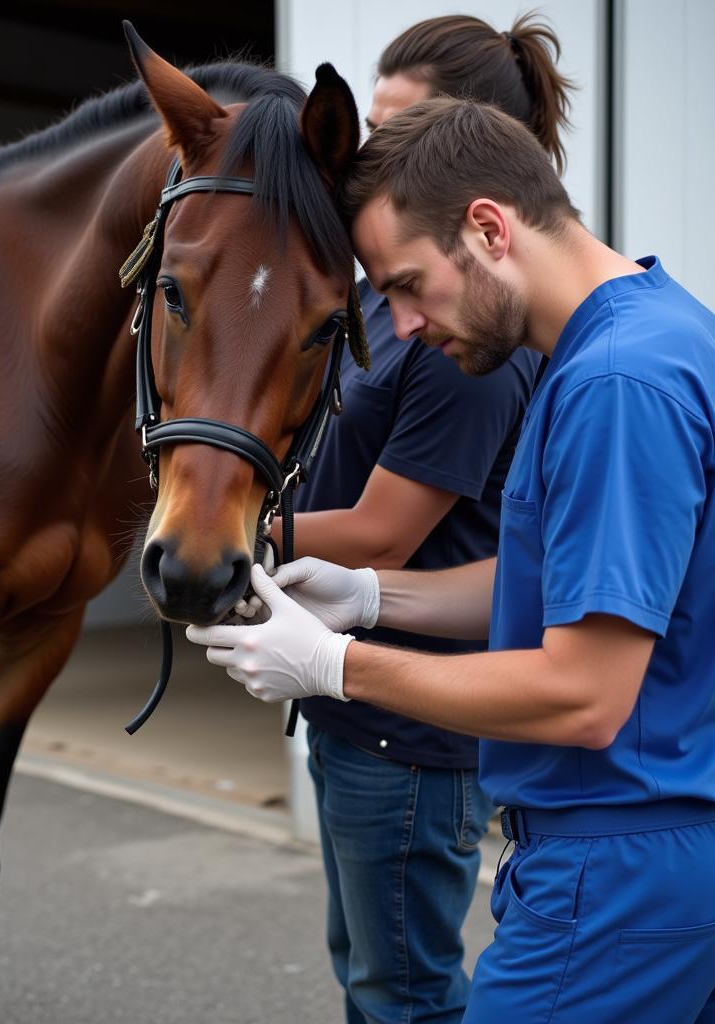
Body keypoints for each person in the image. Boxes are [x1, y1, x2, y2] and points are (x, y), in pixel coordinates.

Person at [189, 94, 715, 1021]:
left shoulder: (614, 383)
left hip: (618, 863)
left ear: (487, 228)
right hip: (641, 848)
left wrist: (336, 666)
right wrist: (369, 597)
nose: (402, 324)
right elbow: (562, 590)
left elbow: (585, 695)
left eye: (403, 284)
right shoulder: (646, 331)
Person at [259, 15, 567, 1024]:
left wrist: (244, 540)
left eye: (399, 128)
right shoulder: (403, 310)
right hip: (366, 709)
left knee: (405, 994)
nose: (367, 157)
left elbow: (385, 530)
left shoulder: (465, 344)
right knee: (370, 971)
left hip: (409, 731)